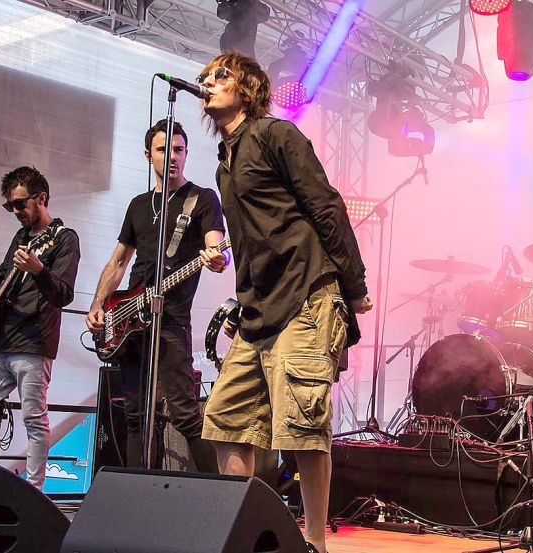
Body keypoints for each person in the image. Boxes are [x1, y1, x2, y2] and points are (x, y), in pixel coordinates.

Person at [198, 52, 372, 553]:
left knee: (302, 426)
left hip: (306, 296)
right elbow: (254, 239)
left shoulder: (277, 136)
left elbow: (326, 205)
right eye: (205, 77)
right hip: (258, 310)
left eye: (221, 75)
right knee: (226, 420)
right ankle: (240, 534)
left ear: (249, 88)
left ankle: (314, 542)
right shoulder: (223, 161)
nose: (208, 82)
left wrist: (354, 285)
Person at [85, 120, 224, 473]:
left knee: (184, 412)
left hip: (172, 321)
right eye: (164, 150)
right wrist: (99, 305)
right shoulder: (138, 205)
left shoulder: (202, 199)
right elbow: (118, 261)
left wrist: (217, 257)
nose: (172, 157)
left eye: (179, 150)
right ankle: (134, 496)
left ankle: (219, 498)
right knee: (134, 415)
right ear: (149, 156)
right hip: (129, 317)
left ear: (187, 154)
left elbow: (215, 244)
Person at [0, 166, 81, 489]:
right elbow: (1, 276)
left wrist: (40, 269)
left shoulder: (65, 239)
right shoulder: (22, 237)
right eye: (9, 206)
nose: (15, 212)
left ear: (41, 198)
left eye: (19, 204)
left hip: (33, 343)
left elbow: (64, 293)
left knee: (34, 419)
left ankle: (34, 492)